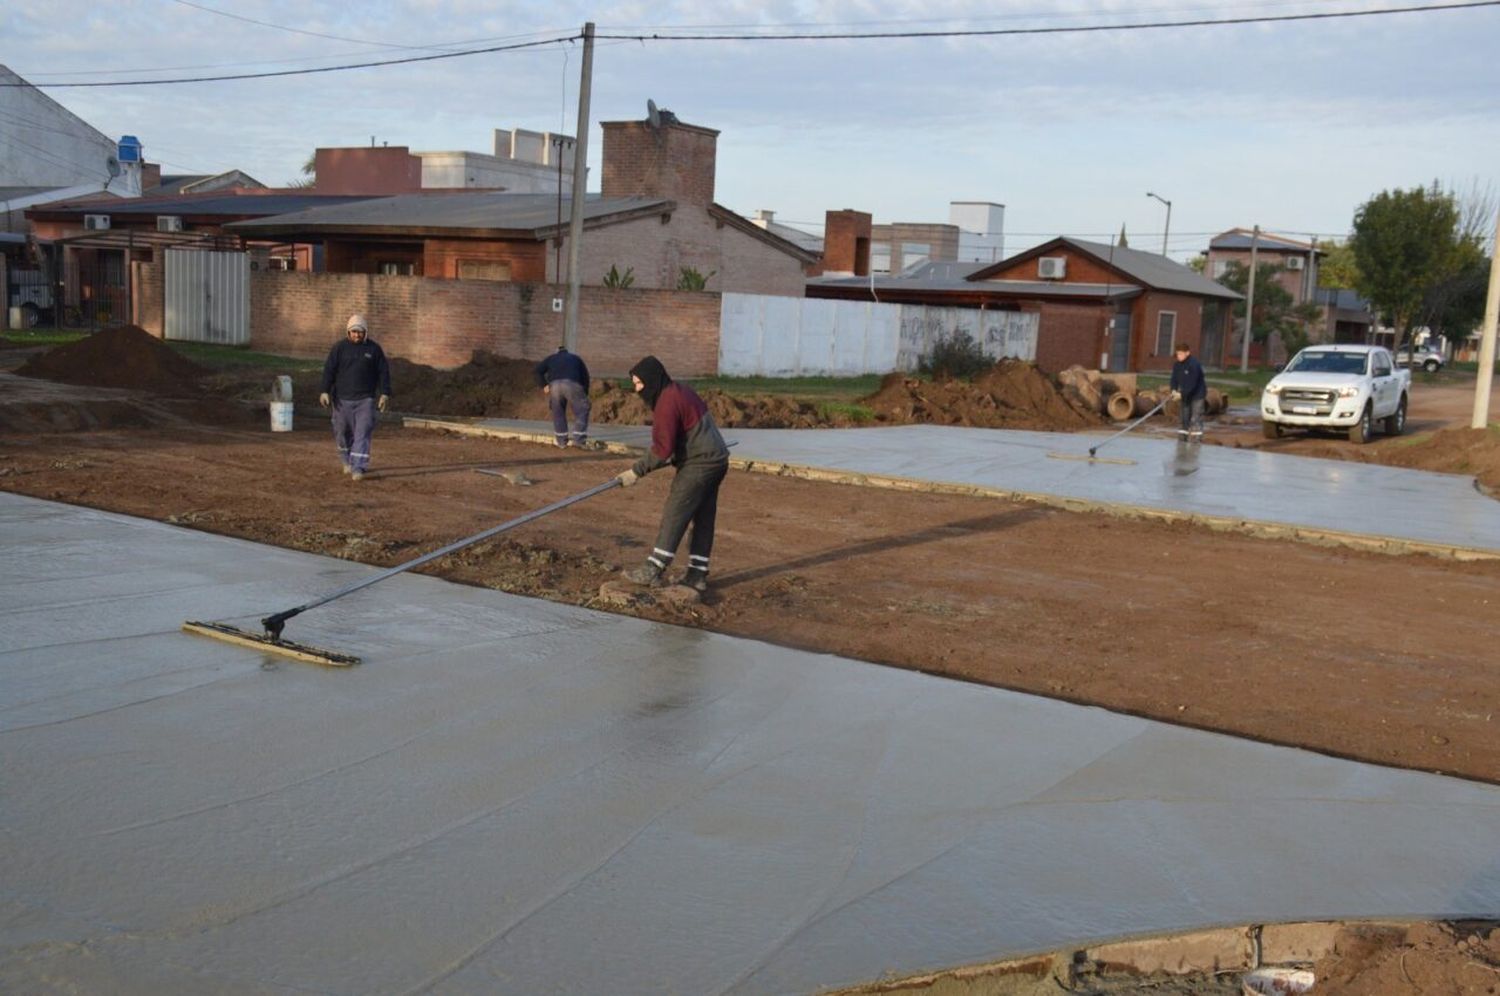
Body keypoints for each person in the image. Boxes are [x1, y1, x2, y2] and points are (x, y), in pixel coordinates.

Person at [614, 355, 729, 592]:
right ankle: (697, 574)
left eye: (638, 384)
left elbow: (661, 450)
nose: (636, 390)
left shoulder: (666, 402)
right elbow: (684, 436)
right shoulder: (680, 391)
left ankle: (653, 568)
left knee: (676, 511)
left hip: (701, 464)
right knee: (703, 517)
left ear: (651, 380)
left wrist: (635, 472)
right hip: (717, 459)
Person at [318, 314, 391, 481]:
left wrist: (385, 393)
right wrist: (324, 391)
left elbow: (383, 372)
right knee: (342, 433)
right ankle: (347, 461)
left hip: (365, 400)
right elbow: (329, 370)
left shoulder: (374, 350)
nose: (357, 335)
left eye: (360, 332)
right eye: (354, 332)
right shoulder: (339, 348)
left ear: (365, 332)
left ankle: (358, 467)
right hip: (341, 401)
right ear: (348, 332)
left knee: (362, 433)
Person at [533, 345, 591, 448]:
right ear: (567, 352)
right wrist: (585, 393)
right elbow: (585, 376)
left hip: (555, 386)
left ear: (557, 352)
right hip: (572, 383)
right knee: (582, 409)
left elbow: (537, 371)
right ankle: (578, 440)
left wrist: (544, 385)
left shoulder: (551, 358)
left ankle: (561, 442)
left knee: (558, 411)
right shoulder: (575, 358)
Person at [1169, 340, 1207, 440]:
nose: (1179, 356)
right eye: (1177, 354)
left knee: (1195, 418)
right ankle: (1182, 439)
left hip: (1197, 395)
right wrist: (1173, 390)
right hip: (1185, 395)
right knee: (1183, 418)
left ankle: (1195, 441)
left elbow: (1192, 384)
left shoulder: (1194, 364)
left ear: (1187, 353)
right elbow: (1174, 379)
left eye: (1181, 354)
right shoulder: (1177, 365)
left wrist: (1181, 395)